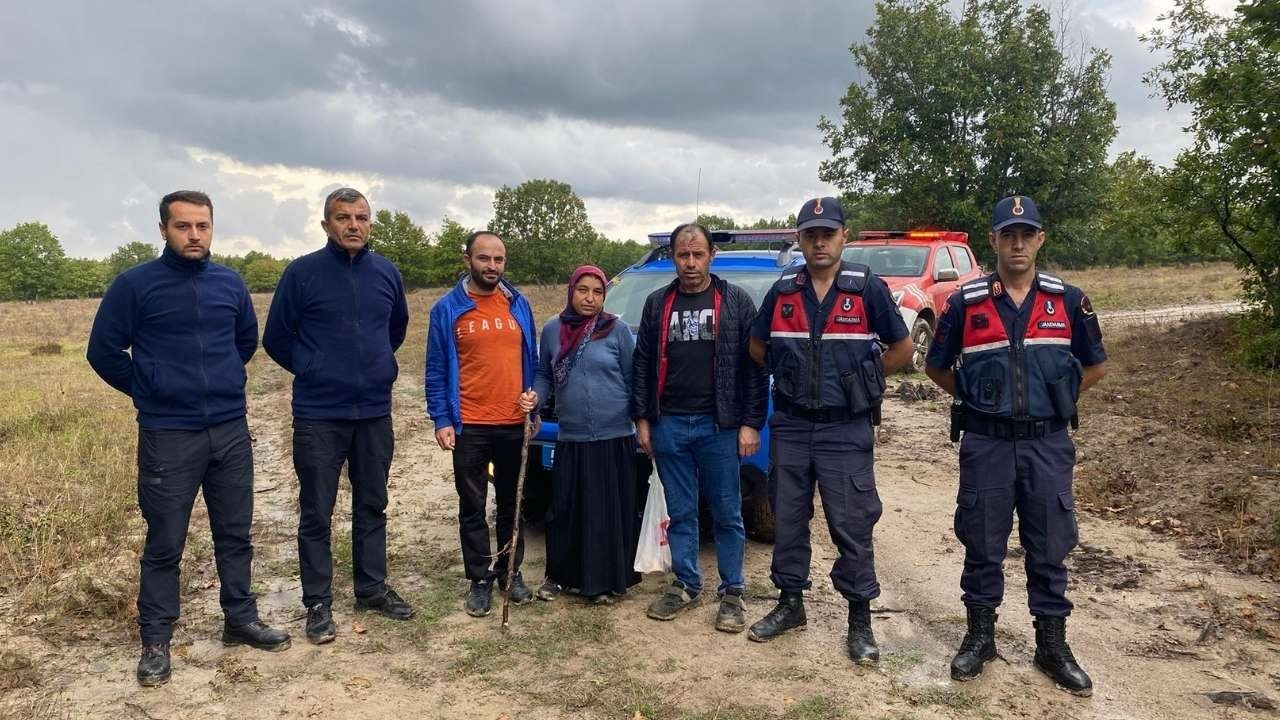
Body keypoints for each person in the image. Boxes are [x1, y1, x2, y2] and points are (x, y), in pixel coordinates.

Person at [87, 190, 290, 687]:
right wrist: (151, 388)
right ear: (163, 230)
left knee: (236, 533)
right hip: (168, 434)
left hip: (228, 429)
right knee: (165, 542)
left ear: (212, 228)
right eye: (183, 226)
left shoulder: (229, 282)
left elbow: (244, 342)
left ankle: (239, 619)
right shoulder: (136, 286)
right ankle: (156, 640)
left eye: (202, 226)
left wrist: (217, 383)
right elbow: (103, 350)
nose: (194, 235)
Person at [924, 195, 1107, 696]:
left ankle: (1052, 645)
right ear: (994, 241)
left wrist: (1057, 398)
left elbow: (1096, 365)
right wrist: (981, 402)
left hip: (1047, 444)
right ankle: (980, 637)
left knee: (1049, 544)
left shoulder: (1068, 301)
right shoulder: (966, 302)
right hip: (986, 443)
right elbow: (935, 366)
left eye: (1027, 234)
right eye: (1009, 234)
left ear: (1040, 239)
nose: (1018, 243)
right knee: (982, 541)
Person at [746, 196, 912, 665]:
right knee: (789, 518)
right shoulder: (782, 292)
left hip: (846, 429)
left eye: (828, 233)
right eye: (810, 234)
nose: (819, 242)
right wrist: (788, 371)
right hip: (794, 425)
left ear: (844, 236)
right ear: (799, 239)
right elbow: (758, 348)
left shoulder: (865, 288)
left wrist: (866, 380)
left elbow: (901, 348)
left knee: (852, 524)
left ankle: (859, 620)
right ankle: (790, 605)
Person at [262, 187, 414, 645]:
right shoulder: (303, 273)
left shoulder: (386, 273)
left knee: (372, 503)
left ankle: (371, 588)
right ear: (326, 224)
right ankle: (318, 603)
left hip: (372, 413)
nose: (353, 225)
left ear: (370, 223)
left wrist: (374, 368)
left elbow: (396, 329)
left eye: (362, 217)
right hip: (318, 415)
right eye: (343, 217)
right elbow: (276, 337)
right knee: (317, 511)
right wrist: (315, 368)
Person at [631, 222, 768, 633]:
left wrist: (749, 423)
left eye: (697, 254)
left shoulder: (737, 302)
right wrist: (643, 419)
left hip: (720, 426)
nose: (690, 263)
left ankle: (732, 592)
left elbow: (755, 367)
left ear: (711, 256)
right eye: (682, 255)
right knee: (681, 511)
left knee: (727, 512)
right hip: (669, 423)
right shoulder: (657, 304)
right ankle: (687, 583)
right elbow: (642, 364)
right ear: (673, 257)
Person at [425, 230, 539, 617]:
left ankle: (510, 572)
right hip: (469, 424)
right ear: (468, 259)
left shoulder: (518, 304)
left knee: (513, 503)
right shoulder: (447, 309)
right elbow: (436, 368)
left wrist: (533, 406)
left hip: (512, 422)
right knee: (472, 504)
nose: (492, 266)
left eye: (499, 260)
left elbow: (532, 364)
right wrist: (442, 417)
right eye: (484, 259)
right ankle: (479, 579)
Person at [531, 265, 640, 603]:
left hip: (614, 435)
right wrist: (535, 398)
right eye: (583, 290)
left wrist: (643, 424)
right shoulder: (553, 330)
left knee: (608, 510)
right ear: (571, 290)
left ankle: (606, 583)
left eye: (597, 291)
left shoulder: (617, 330)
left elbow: (633, 378)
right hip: (573, 435)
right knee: (566, 508)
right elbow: (544, 374)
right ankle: (560, 576)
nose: (589, 298)